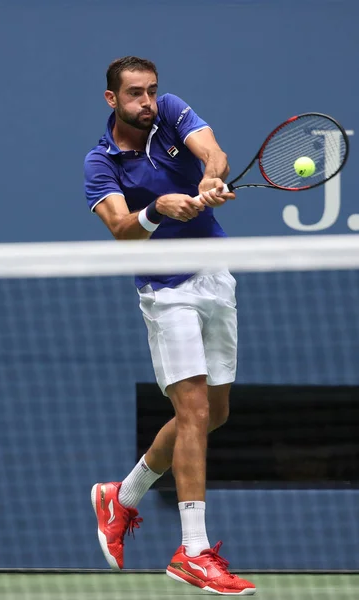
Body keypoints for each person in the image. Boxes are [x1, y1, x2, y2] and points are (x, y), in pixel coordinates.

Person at [84, 56, 256, 596]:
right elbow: (119, 227)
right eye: (135, 94)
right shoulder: (100, 162)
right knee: (194, 410)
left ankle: (122, 496)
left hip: (214, 276)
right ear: (112, 99)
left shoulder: (172, 115)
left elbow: (215, 152)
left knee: (214, 415)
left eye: (151, 91)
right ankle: (193, 552)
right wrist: (157, 210)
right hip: (167, 292)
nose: (147, 102)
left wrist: (209, 177)